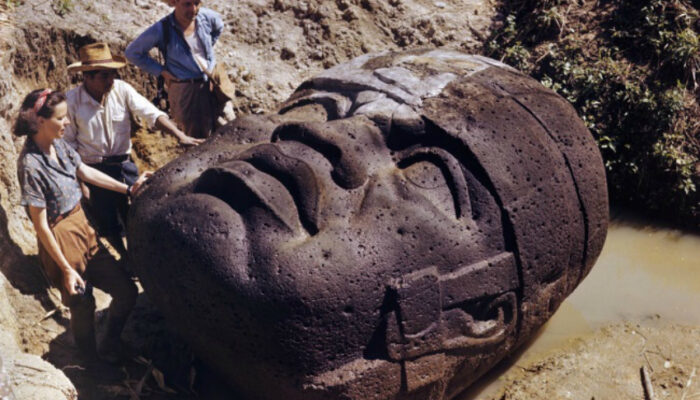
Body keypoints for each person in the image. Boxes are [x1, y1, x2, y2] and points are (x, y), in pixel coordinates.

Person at [14, 88, 149, 362]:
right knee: (83, 304)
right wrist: (65, 268)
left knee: (126, 291)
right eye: (61, 118)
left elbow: (84, 172)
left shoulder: (59, 144)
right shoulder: (30, 165)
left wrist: (128, 190)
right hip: (61, 239)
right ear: (40, 121)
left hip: (84, 226)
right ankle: (91, 362)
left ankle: (110, 342)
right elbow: (40, 225)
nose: (67, 123)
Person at [64, 42, 203, 250]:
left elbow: (151, 113)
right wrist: (81, 181)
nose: (111, 80)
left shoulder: (121, 90)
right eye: (104, 76)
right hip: (93, 169)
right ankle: (123, 257)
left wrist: (179, 134)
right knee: (107, 220)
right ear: (87, 76)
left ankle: (137, 256)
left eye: (112, 74)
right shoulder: (71, 101)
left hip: (124, 166)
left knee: (135, 213)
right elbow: (69, 145)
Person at [125, 0, 235, 139]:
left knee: (230, 130)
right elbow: (132, 53)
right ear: (174, 2)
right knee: (197, 142)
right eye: (187, 4)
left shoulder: (206, 17)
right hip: (186, 89)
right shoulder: (162, 28)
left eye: (197, 3)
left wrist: (207, 56)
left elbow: (218, 26)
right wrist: (162, 72)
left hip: (213, 82)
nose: (194, 9)